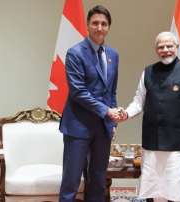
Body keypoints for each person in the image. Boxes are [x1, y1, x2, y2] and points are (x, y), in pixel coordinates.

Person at [119, 31, 180, 202]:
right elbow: (138, 102)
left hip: (178, 143)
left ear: (177, 47)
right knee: (155, 190)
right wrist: (126, 113)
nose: (165, 50)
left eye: (169, 46)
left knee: (175, 190)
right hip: (152, 142)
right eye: (161, 47)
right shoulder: (148, 72)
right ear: (156, 50)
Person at [59, 5, 120, 202]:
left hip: (103, 128)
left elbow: (111, 91)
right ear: (87, 25)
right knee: (71, 182)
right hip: (78, 126)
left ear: (109, 27)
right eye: (95, 23)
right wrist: (107, 111)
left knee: (98, 180)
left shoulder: (113, 55)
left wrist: (113, 121)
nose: (99, 27)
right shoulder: (75, 53)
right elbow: (78, 92)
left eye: (104, 24)